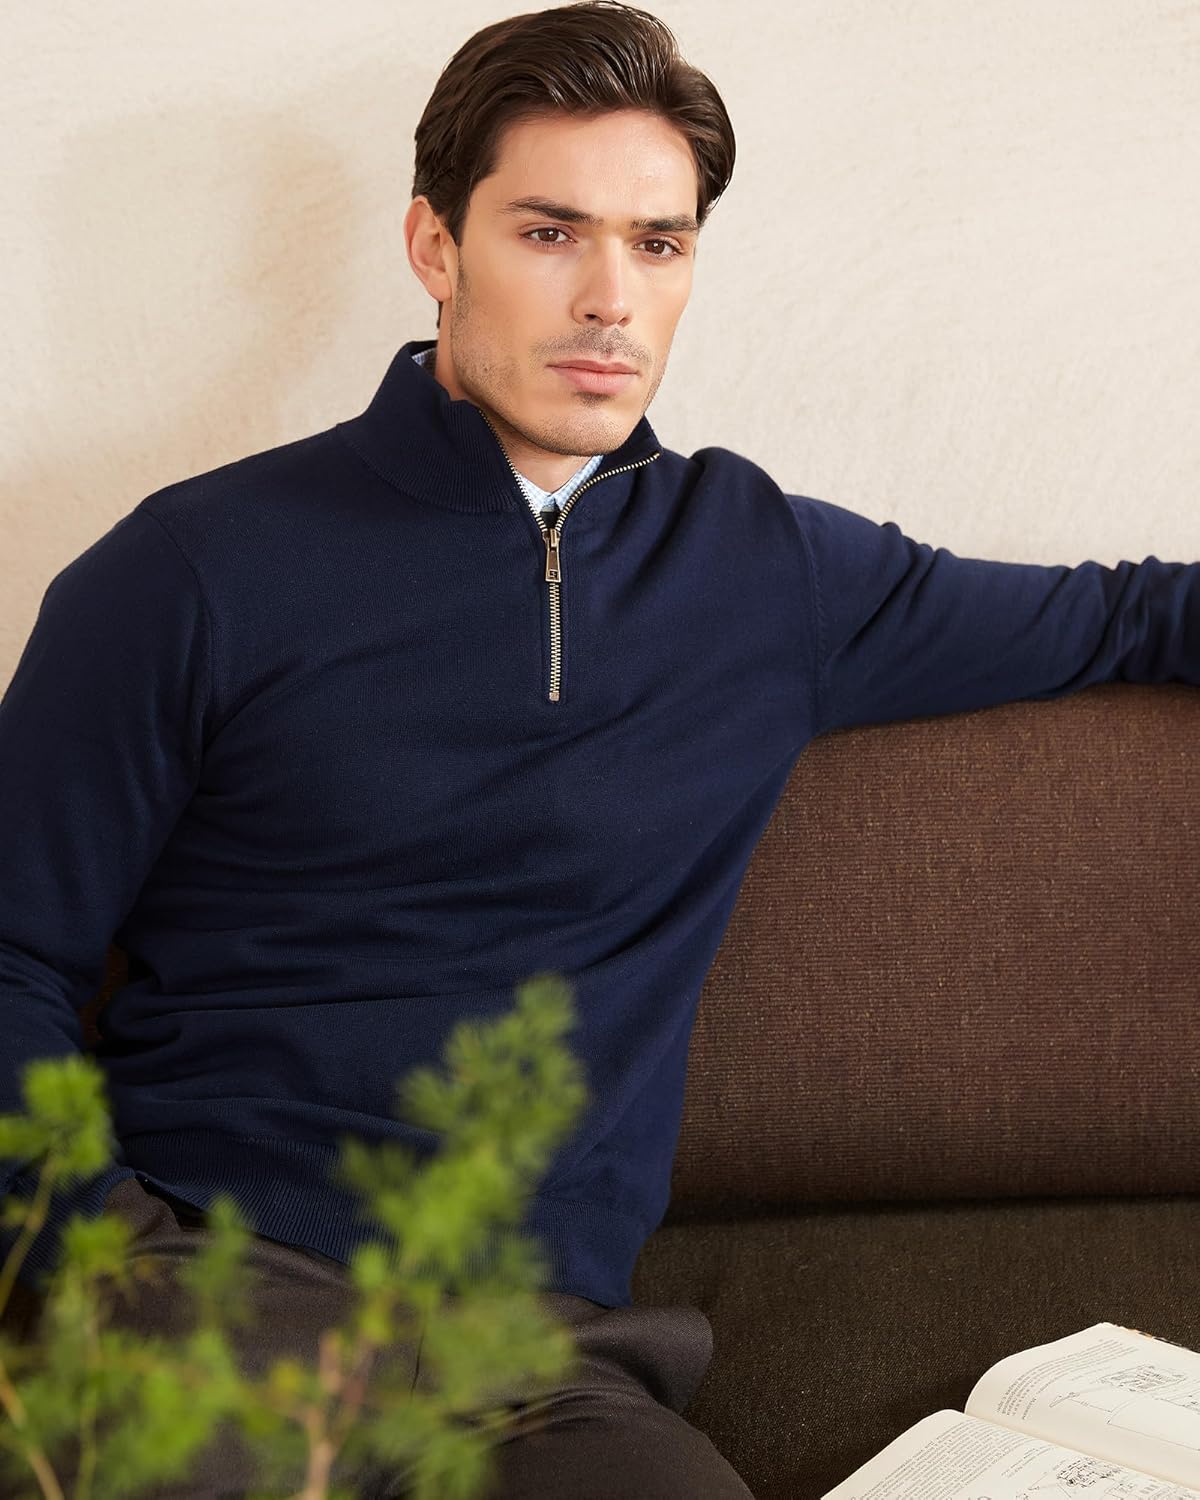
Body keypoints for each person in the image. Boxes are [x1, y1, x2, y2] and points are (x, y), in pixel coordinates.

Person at [0, 2, 1196, 1496]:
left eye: (658, 243)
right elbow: (11, 953)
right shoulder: (192, 568)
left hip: (545, 1370)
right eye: (552, 233)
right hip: (221, 1304)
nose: (610, 300)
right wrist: (100, 1260)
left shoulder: (765, 573)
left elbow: (1127, 616)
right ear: (436, 246)